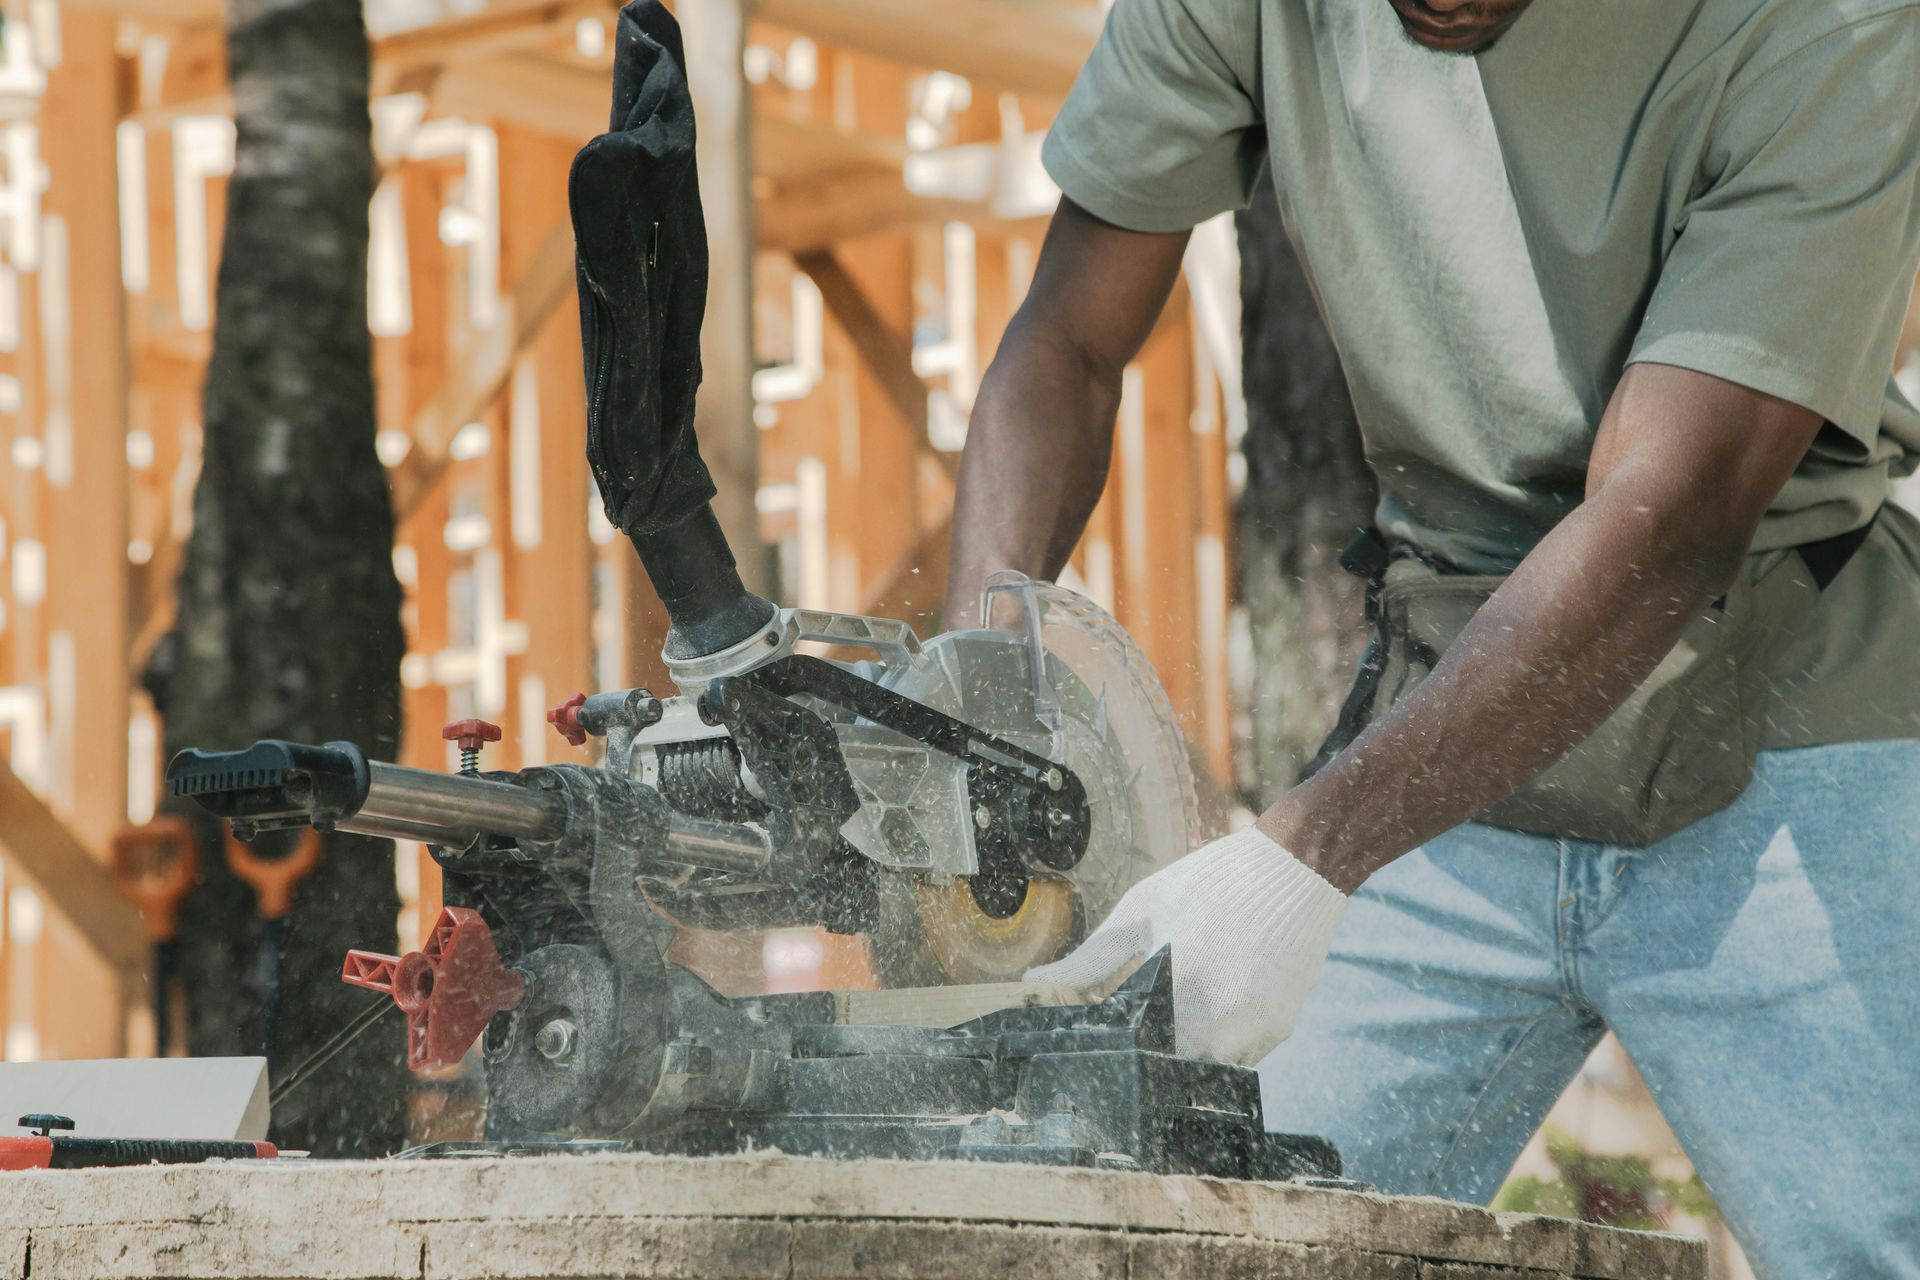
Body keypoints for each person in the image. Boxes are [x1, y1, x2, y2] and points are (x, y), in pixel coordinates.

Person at [942, 0, 1920, 1273]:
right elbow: (1068, 341)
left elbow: (1669, 519)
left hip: (1788, 720)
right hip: (1444, 739)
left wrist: (1299, 861)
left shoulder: (1825, 23)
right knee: (1196, 1240)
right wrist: (977, 698)